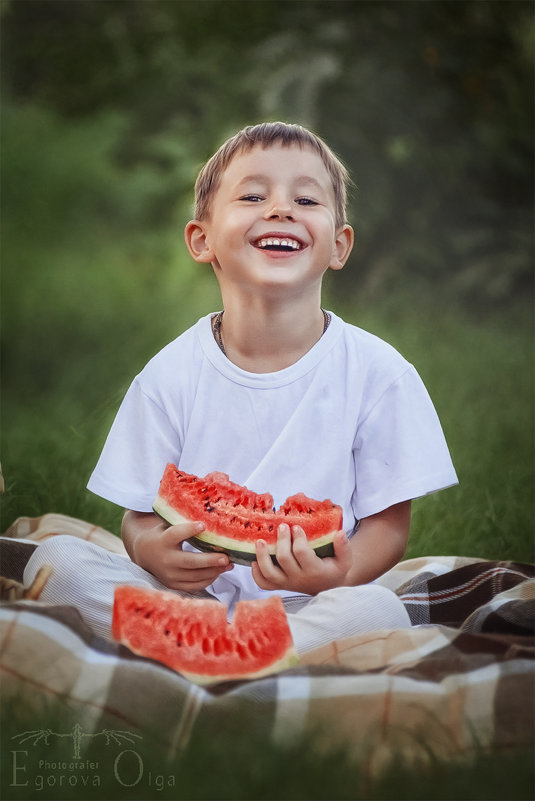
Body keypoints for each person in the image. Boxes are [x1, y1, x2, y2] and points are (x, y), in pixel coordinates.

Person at [24, 122, 458, 653]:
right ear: (202, 239)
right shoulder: (169, 373)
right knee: (57, 560)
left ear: (339, 245)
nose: (280, 209)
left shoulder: (378, 372)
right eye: (253, 195)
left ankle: (193, 660)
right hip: (184, 597)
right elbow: (137, 515)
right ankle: (249, 666)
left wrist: (334, 578)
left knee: (378, 608)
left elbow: (388, 526)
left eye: (305, 198)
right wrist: (148, 551)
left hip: (309, 604)